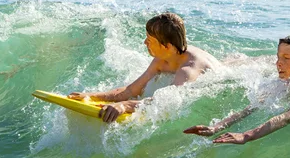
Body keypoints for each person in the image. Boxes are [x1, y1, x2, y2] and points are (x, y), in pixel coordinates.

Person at [68, 12, 219, 123]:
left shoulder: (188, 71)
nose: (144, 43)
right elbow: (131, 90)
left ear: (166, 46)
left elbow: (164, 103)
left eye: (149, 40)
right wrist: (92, 96)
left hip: (221, 73)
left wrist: (124, 106)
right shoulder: (161, 60)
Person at [184, 35, 290, 144]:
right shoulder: (285, 83)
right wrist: (216, 127)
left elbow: (289, 116)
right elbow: (250, 109)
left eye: (286, 58)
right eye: (278, 57)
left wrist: (247, 135)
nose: (278, 64)